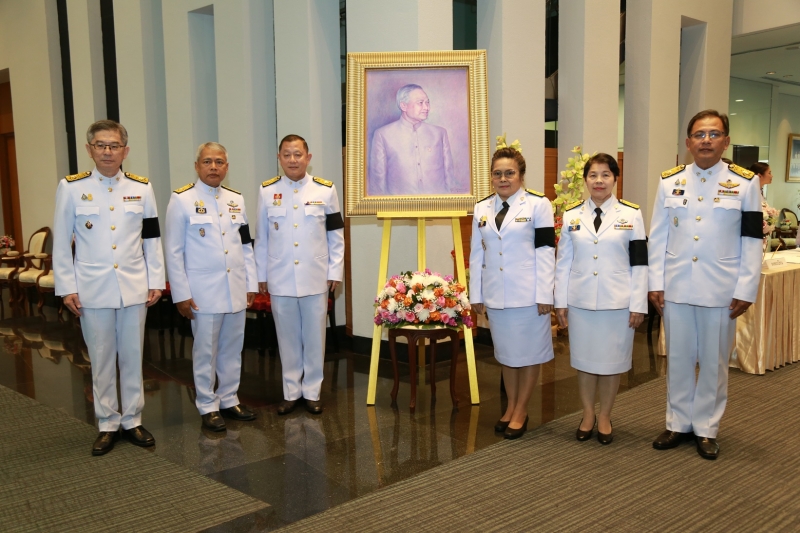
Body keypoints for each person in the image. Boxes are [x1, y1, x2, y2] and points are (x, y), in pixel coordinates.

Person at [649, 109, 763, 460]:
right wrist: (656, 282)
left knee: (714, 362)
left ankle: (707, 428)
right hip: (678, 287)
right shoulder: (670, 181)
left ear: (726, 141)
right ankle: (677, 423)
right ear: (688, 142)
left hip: (721, 289)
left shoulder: (745, 182)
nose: (706, 141)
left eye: (714, 134)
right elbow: (658, 236)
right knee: (679, 358)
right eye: (700, 135)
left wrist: (746, 288)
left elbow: (752, 240)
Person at [53, 120, 164, 456]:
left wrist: (156, 279)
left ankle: (132, 419)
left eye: (114, 145)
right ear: (90, 150)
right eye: (100, 145)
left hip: (133, 286)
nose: (107, 151)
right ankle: (107, 423)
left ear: (125, 151)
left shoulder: (142, 188)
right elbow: (61, 242)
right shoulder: (71, 188)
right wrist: (66, 286)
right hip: (92, 288)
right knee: (101, 357)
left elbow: (152, 237)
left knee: (132, 355)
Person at [164, 142, 258, 432]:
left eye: (219, 162)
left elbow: (246, 244)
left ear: (227, 167)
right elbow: (173, 250)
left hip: (235, 287)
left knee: (232, 347)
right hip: (202, 292)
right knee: (206, 350)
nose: (214, 167)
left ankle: (229, 398)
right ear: (197, 166)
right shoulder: (181, 200)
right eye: (207, 162)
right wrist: (181, 293)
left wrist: (250, 282)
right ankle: (207, 404)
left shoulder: (236, 200)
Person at [554, 153, 647, 445]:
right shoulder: (571, 216)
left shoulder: (631, 215)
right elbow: (562, 262)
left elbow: (641, 263)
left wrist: (638, 304)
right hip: (580, 303)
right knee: (584, 362)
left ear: (615, 179)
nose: (599, 181)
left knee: (612, 363)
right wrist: (560, 302)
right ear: (585, 180)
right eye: (593, 175)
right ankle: (587, 415)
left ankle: (605, 415)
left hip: (618, 303)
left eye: (605, 175)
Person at [469, 145, 556, 440]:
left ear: (520, 175)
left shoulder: (538, 205)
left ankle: (520, 409)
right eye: (497, 174)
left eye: (510, 173)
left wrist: (546, 294)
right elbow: (475, 255)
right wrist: (476, 294)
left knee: (528, 353)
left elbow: (546, 251)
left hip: (529, 295)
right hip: (496, 295)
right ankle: (511, 408)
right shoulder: (482, 208)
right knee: (507, 354)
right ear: (491, 177)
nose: (503, 178)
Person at [255, 134, 344, 415]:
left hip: (315, 275)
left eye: (297, 154)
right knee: (287, 337)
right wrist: (261, 274)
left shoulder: (325, 190)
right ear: (279, 158)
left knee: (315, 336)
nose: (292, 160)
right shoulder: (266, 191)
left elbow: (336, 236)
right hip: (280, 276)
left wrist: (335, 271)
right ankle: (291, 391)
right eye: (286, 155)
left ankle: (313, 391)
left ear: (308, 157)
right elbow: (263, 236)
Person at [368, 84, 460, 196]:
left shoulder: (439, 133)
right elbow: (378, 184)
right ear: (403, 106)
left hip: (437, 208)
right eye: (420, 103)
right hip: (399, 209)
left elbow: (450, 179)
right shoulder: (383, 135)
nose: (426, 107)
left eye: (427, 102)